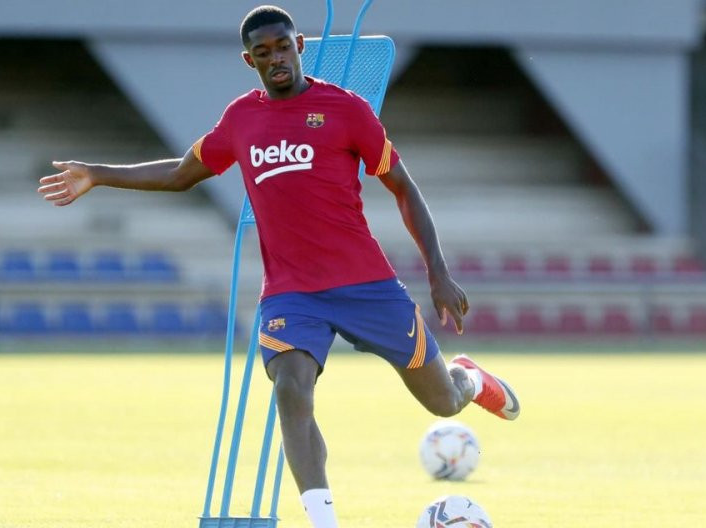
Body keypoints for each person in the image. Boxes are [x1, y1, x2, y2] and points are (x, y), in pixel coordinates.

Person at [38, 6, 519, 527]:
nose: (276, 58)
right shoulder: (241, 118)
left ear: (300, 46)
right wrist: (98, 174)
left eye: (283, 46)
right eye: (263, 53)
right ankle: (322, 520)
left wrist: (438, 272)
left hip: (368, 286)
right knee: (291, 386)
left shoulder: (347, 109)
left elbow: (403, 187)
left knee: (444, 403)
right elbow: (181, 173)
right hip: (292, 293)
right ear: (250, 60)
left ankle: (468, 378)